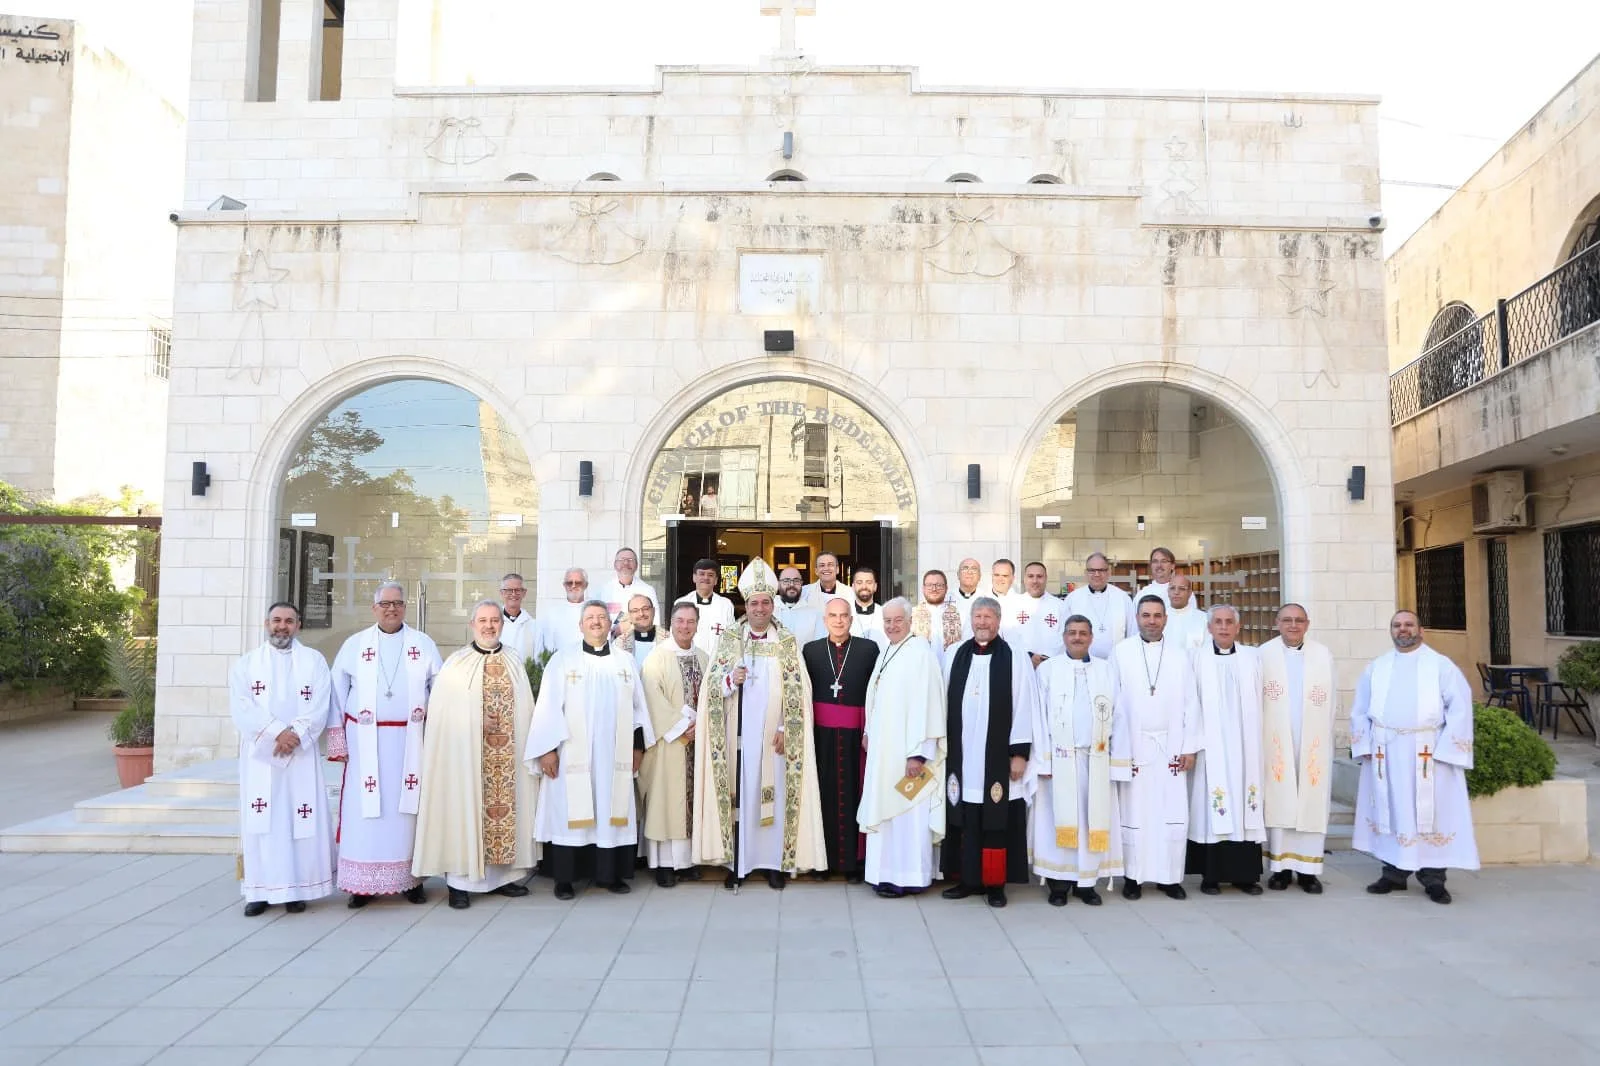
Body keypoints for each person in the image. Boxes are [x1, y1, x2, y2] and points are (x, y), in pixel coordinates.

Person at [693, 559, 826, 889]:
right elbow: (711, 689)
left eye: (766, 602)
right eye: (754, 603)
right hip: (737, 739)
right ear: (746, 605)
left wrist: (786, 727)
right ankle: (738, 863)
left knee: (776, 797)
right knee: (741, 800)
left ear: (773, 604)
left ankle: (774, 864)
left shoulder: (786, 641)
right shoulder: (730, 641)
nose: (760, 608)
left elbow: (799, 688)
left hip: (776, 739)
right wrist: (728, 680)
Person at [411, 600, 538, 909]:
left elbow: (526, 708)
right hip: (465, 758)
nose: (489, 626)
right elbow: (442, 713)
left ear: (502, 625)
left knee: (506, 811)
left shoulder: (513, 660)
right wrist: (476, 717)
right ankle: (459, 883)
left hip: (507, 757)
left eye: (495, 620)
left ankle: (502, 878)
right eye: (483, 620)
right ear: (472, 625)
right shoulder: (456, 663)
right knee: (464, 811)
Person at [528, 600, 655, 899]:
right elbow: (547, 708)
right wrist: (547, 750)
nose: (596, 622)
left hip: (615, 757)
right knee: (569, 813)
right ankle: (565, 879)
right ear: (580, 625)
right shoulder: (563, 660)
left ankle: (609, 875)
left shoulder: (624, 662)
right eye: (590, 618)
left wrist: (638, 748)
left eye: (601, 617)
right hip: (572, 755)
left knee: (611, 810)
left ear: (610, 623)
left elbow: (638, 710)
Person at [1352, 610, 1478, 904]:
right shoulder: (1377, 667)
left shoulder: (1440, 666)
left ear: (1421, 630)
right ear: (1391, 631)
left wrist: (1448, 750)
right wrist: (1366, 746)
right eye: (1397, 625)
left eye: (1409, 625)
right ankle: (1393, 874)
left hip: (1428, 755)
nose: (1403, 630)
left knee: (1431, 814)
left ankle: (1433, 879)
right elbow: (1360, 709)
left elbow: (1460, 708)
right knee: (1392, 810)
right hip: (1387, 752)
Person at [328, 583, 442, 907]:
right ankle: (360, 886)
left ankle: (411, 880)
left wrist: (437, 736)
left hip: (411, 745)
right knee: (364, 814)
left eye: (398, 604)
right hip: (366, 745)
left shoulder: (423, 644)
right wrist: (337, 739)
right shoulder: (354, 645)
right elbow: (335, 693)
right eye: (385, 603)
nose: (392, 609)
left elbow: (441, 690)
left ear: (405, 607)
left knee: (406, 813)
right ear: (374, 607)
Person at [229, 602, 335, 916]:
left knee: (296, 820)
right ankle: (258, 891)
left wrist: (296, 735)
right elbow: (242, 707)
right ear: (266, 623)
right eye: (276, 620)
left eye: (289, 621)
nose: (282, 626)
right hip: (262, 757)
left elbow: (320, 704)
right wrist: (277, 733)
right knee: (263, 822)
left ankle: (296, 890)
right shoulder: (247, 664)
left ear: (298, 625)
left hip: (300, 755)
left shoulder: (314, 661)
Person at [940, 596, 1037, 908]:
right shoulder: (955, 653)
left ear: (998, 621)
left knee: (996, 821)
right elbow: (942, 702)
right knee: (965, 818)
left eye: (988, 617)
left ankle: (995, 885)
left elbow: (1024, 705)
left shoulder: (1015, 657)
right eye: (977, 617)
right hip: (963, 755)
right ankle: (968, 880)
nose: (982, 623)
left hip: (997, 758)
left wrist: (1019, 753)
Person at [1030, 615, 1127, 906]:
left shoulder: (1106, 670)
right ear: (1063, 637)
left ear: (1091, 638)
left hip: (1094, 759)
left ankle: (1086, 882)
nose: (1077, 638)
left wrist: (1117, 760)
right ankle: (1058, 882)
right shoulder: (1047, 670)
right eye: (1072, 633)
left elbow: (1120, 715)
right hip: (1059, 761)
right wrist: (1043, 761)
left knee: (1090, 821)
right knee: (1057, 820)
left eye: (1083, 633)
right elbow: (1037, 716)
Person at [1112, 595, 1201, 901]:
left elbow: (1192, 703)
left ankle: (1169, 878)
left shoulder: (1179, 656)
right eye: (1146, 615)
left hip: (1170, 747)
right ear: (1137, 618)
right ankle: (1133, 877)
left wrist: (1189, 748)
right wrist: (1118, 750)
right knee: (1134, 812)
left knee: (1170, 813)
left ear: (1166, 619)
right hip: (1133, 746)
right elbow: (1112, 703)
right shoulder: (1121, 653)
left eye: (1157, 615)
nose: (1151, 620)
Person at [859, 598, 946, 898]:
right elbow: (877, 696)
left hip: (909, 756)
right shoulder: (888, 651)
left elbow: (928, 706)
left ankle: (908, 877)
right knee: (887, 813)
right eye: (887, 621)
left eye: (897, 620)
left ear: (910, 621)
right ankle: (883, 874)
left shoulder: (920, 653)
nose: (892, 626)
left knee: (908, 815)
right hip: (884, 752)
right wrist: (869, 731)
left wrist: (918, 754)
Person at [1186, 605, 1266, 895]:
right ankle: (1211, 876)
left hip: (1246, 747)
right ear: (1209, 628)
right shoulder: (1196, 659)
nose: (1223, 627)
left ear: (1238, 627)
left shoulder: (1252, 658)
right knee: (1213, 809)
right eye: (1217, 622)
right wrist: (1192, 745)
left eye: (1228, 622)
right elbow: (1189, 704)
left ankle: (1246, 876)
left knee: (1246, 807)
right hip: (1211, 748)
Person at [802, 597, 881, 881]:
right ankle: (823, 862)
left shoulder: (869, 649)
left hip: (855, 737)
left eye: (844, 616)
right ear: (825, 620)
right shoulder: (810, 651)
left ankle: (853, 863)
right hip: (821, 737)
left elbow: (876, 693)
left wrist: (871, 730)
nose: (838, 620)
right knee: (821, 795)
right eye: (833, 616)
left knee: (855, 793)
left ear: (851, 619)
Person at [1260, 603, 1336, 894]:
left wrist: (1321, 740)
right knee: (1280, 800)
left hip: (1312, 742)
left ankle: (1308, 871)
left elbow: (1330, 704)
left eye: (1299, 621)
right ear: (1277, 622)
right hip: (1275, 741)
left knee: (1311, 803)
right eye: (1287, 620)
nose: (1293, 625)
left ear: (1308, 624)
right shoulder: (1263, 655)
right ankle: (1279, 868)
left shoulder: (1322, 654)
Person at [639, 602, 707, 887]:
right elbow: (651, 698)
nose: (685, 627)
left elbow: (711, 697)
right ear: (671, 622)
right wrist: (680, 729)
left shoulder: (704, 657)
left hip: (698, 741)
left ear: (697, 624)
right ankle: (665, 864)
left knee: (693, 801)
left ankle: (688, 861)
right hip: (669, 744)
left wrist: (700, 726)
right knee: (667, 801)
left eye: (691, 622)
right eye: (680, 621)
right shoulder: (656, 658)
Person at [1063, 553, 1135, 660]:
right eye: (1092, 570)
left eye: (1101, 570)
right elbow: (1065, 634)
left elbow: (1132, 633)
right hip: (1082, 662)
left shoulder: (1123, 598)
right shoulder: (1073, 599)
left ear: (1108, 572)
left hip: (1116, 662)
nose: (1097, 574)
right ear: (1086, 573)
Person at [675, 557, 736, 657]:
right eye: (702, 574)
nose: (706, 578)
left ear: (716, 580)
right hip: (690, 660)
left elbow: (731, 637)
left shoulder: (726, 605)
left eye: (710, 575)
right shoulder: (681, 603)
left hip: (717, 663)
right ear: (694, 577)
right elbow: (675, 635)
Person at [1014, 561, 1067, 664]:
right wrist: (1028, 656)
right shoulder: (1013, 605)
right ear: (1024, 579)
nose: (1035, 581)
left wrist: (1046, 658)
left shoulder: (1060, 606)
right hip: (1021, 664)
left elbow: (1065, 636)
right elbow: (1009, 637)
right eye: (1030, 576)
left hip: (1051, 664)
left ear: (1046, 578)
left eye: (1039, 576)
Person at [911, 568, 963, 669]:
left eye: (939, 585)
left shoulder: (960, 614)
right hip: (921, 670)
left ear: (946, 588)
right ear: (923, 588)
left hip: (952, 669)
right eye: (930, 585)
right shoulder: (911, 615)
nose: (934, 589)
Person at [601, 547, 660, 633]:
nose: (625, 563)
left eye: (630, 560)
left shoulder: (647, 590)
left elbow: (655, 621)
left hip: (639, 641)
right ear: (615, 565)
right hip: (610, 642)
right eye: (621, 559)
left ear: (636, 565)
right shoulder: (604, 590)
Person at [537, 568, 590, 656]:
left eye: (578, 583)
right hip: (560, 665)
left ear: (586, 585)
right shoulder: (552, 614)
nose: (573, 586)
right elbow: (545, 646)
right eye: (569, 583)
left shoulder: (595, 611)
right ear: (564, 585)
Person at [774, 566, 824, 644]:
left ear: (801, 583)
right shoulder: (768, 610)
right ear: (779, 583)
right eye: (786, 581)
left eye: (796, 581)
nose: (791, 585)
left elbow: (820, 645)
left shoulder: (814, 613)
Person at [614, 593, 660, 668]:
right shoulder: (618, 645)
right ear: (629, 615)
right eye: (635, 611)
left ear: (653, 611)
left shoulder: (669, 640)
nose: (641, 614)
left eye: (645, 609)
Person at [499, 572, 537, 661]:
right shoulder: (494, 622)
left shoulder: (533, 625)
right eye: (509, 590)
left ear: (524, 593)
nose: (513, 594)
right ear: (502, 593)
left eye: (517, 590)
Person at [848, 567, 889, 650]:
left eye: (869, 582)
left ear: (875, 587)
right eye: (859, 582)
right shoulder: (845, 614)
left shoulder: (885, 614)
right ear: (853, 586)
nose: (864, 586)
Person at [1163, 574, 1207, 650]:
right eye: (1172, 588)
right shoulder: (1159, 618)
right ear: (1168, 591)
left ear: (1190, 593)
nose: (1176, 592)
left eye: (1182, 589)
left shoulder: (1203, 619)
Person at [951, 558, 989, 639]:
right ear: (958, 574)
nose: (969, 572)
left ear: (979, 576)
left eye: (974, 569)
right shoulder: (946, 598)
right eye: (965, 568)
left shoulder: (988, 600)